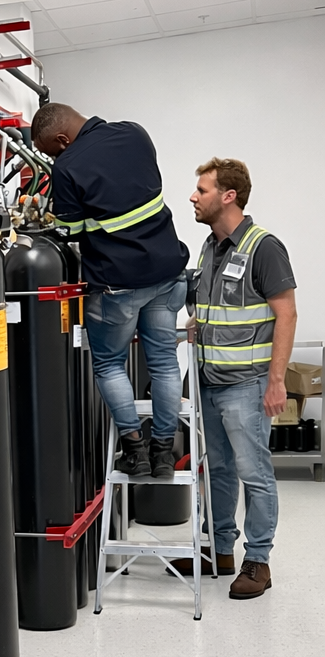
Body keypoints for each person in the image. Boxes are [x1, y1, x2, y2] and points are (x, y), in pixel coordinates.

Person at [32, 104, 189, 478]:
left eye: (51, 151)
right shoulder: (134, 131)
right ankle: (164, 452)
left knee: (108, 364)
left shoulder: (67, 167)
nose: (55, 157)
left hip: (118, 286)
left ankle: (135, 452)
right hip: (167, 274)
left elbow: (69, 230)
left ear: (62, 140)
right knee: (165, 363)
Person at [188, 158, 297, 600]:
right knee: (217, 472)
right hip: (210, 381)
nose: (193, 197)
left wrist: (276, 381)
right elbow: (213, 310)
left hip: (247, 384)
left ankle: (259, 561)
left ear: (228, 196)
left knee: (254, 473)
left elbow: (285, 313)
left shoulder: (263, 246)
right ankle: (221, 550)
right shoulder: (209, 247)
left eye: (202, 190)